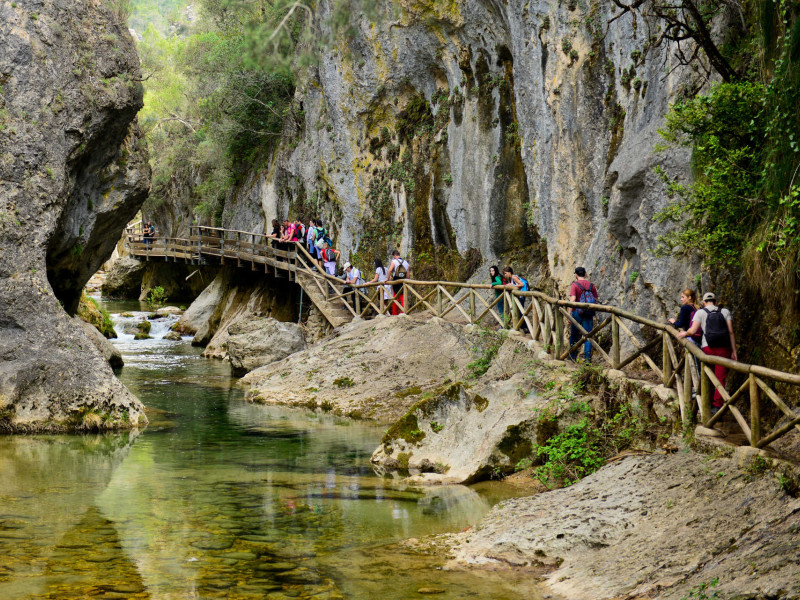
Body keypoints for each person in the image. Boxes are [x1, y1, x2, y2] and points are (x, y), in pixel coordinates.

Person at [677, 292, 738, 416]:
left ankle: (706, 402)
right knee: (720, 377)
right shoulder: (725, 311)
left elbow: (693, 331)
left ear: (704, 302)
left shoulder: (701, 312)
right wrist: (734, 351)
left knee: (707, 375)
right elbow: (731, 332)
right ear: (715, 301)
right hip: (723, 348)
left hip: (707, 348)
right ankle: (717, 406)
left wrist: (685, 333)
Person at [669, 288, 703, 383]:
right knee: (698, 364)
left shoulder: (685, 308)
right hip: (700, 338)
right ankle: (699, 388)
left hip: (691, 338)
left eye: (683, 297)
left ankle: (697, 389)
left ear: (689, 298)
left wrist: (673, 322)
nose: (681, 299)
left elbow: (680, 324)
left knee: (693, 364)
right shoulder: (697, 307)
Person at [568, 267, 598, 362]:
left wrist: (569, 313)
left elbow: (572, 299)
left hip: (577, 312)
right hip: (588, 313)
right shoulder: (591, 285)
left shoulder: (575, 285)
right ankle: (588, 359)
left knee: (574, 335)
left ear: (576, 275)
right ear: (585, 274)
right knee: (588, 335)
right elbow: (595, 300)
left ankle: (572, 356)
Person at [387, 250, 411, 315]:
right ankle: (403, 312)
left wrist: (387, 278)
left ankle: (395, 313)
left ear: (394, 255)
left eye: (393, 256)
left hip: (396, 281)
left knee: (395, 297)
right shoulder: (406, 262)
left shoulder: (394, 261)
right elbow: (408, 275)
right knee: (403, 297)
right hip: (404, 281)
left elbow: (390, 270)